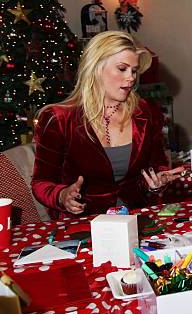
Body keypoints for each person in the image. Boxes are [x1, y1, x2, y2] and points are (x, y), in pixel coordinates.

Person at [32, 31, 184, 219]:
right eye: (122, 68)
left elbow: (157, 165)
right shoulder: (58, 119)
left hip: (135, 219)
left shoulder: (145, 112)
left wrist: (157, 180)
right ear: (96, 68)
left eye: (134, 70)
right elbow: (41, 182)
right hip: (81, 224)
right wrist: (62, 196)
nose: (131, 78)